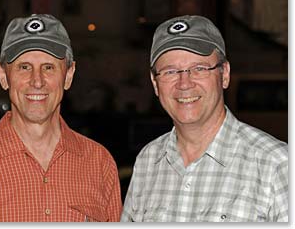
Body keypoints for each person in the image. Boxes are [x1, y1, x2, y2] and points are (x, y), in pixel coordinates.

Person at [0, 14, 122, 222]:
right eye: (24, 67)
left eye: (48, 67)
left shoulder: (99, 163)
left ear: (68, 75)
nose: (37, 81)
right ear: (3, 75)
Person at [121, 15, 288, 222]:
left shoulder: (277, 165)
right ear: (155, 84)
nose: (184, 83)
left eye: (199, 68)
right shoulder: (148, 161)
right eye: (170, 71)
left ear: (224, 74)